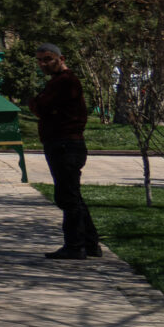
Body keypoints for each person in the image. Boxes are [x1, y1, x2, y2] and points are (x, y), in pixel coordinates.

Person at [31, 44, 101, 261]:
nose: (43, 64)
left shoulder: (65, 81)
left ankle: (75, 245)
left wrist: (38, 104)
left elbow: (40, 107)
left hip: (65, 145)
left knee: (67, 197)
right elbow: (43, 107)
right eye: (40, 60)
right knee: (73, 195)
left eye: (48, 59)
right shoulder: (57, 82)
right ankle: (90, 243)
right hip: (62, 143)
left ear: (61, 58)